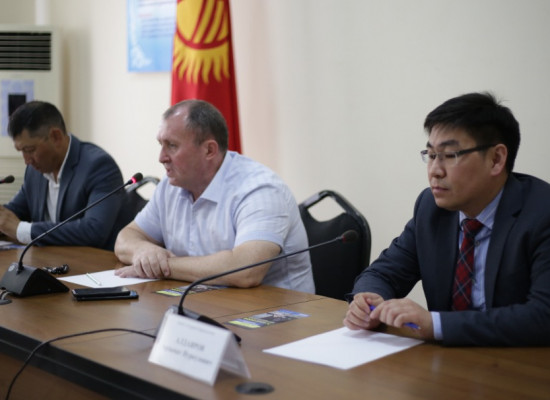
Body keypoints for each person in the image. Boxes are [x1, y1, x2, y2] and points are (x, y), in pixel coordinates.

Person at [344, 92, 550, 346]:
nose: (434, 171)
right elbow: (383, 273)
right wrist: (369, 301)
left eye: (450, 155)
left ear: (496, 159)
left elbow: (543, 315)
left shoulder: (542, 213)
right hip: (446, 361)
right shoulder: (431, 208)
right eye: (431, 155)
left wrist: (436, 324)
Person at [114, 99, 314, 292]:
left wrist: (163, 266)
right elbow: (126, 238)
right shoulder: (171, 186)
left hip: (276, 311)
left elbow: (245, 271)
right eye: (161, 145)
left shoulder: (260, 190)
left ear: (209, 150)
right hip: (204, 302)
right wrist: (143, 251)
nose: (161, 157)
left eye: (172, 146)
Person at [0, 100, 131, 250]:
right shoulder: (34, 170)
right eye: (21, 151)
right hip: (50, 260)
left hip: (95, 261)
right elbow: (14, 213)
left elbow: (94, 230)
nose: (26, 160)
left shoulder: (99, 166)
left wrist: (22, 230)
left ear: (56, 137)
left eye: (30, 150)